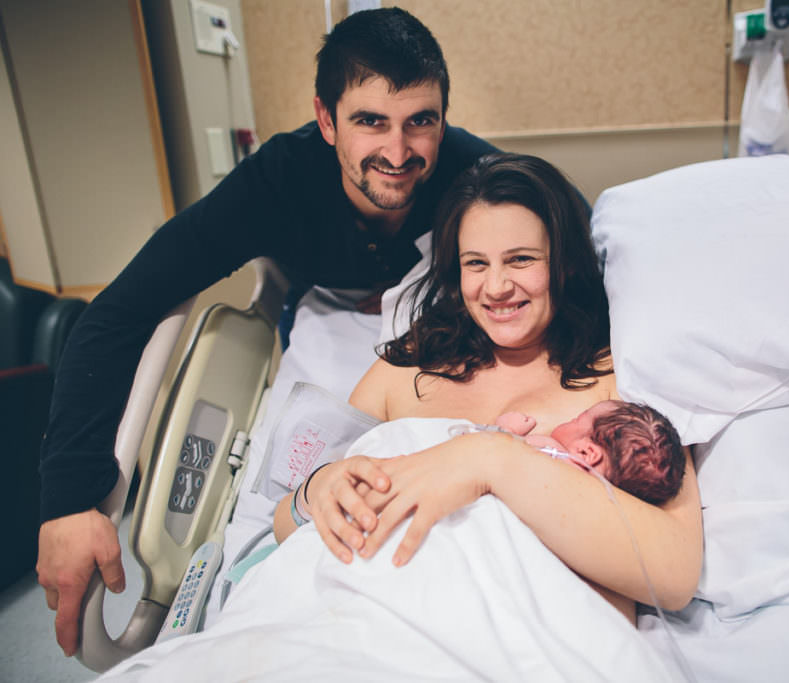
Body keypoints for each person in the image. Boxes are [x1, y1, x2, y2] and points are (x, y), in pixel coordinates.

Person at [36, 7, 499, 657]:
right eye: (370, 122)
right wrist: (68, 499)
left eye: (420, 121)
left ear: (443, 118)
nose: (399, 152)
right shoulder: (277, 182)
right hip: (326, 326)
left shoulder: (473, 173)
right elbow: (118, 311)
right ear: (326, 118)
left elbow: (573, 256)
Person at [274, 153, 702, 624]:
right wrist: (316, 489)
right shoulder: (407, 369)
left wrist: (491, 462)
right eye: (476, 263)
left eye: (520, 260)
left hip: (532, 639)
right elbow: (284, 523)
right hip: (379, 614)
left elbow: (675, 574)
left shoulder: (620, 380)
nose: (496, 287)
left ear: (566, 264)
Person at [493, 399, 686, 506]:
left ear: (586, 452)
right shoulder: (592, 510)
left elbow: (493, 458)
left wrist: (507, 431)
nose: (571, 420)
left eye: (577, 419)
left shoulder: (551, 456)